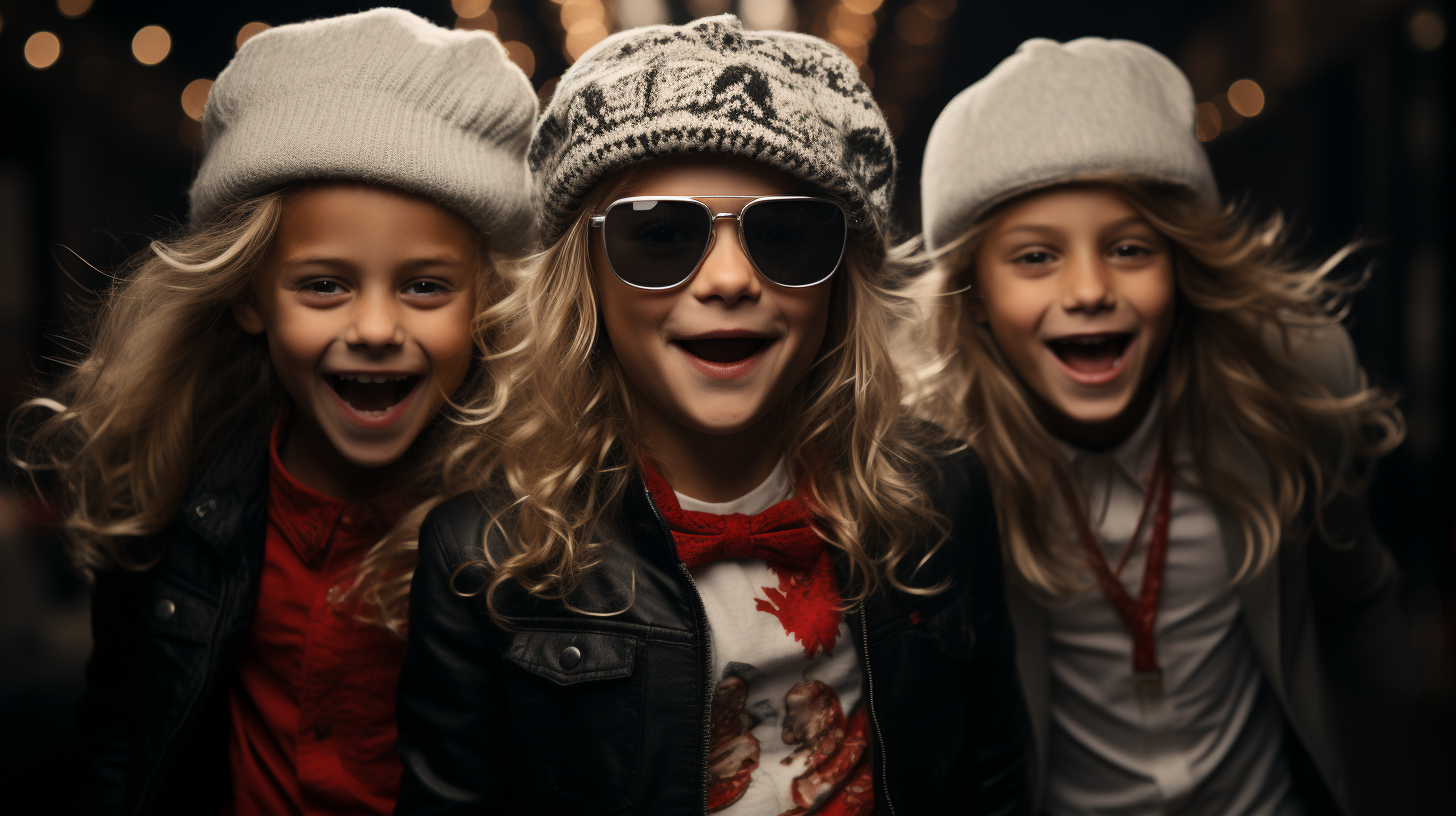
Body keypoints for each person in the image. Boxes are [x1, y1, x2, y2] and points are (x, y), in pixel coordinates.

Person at [393, 15, 1027, 815]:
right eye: (660, 235)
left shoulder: (940, 496)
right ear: (583, 281)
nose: (728, 279)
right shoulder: (480, 559)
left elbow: (992, 778)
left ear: (839, 286)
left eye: (786, 234)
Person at [13, 10, 536, 814]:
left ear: (486, 307)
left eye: (425, 285)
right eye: (323, 284)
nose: (372, 329)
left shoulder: (537, 533)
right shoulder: (173, 496)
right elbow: (122, 738)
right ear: (249, 297)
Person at [909, 37, 1411, 816]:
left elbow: (1359, 605)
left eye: (1130, 248)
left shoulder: (1288, 383)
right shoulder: (938, 472)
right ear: (973, 295)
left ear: (1181, 265)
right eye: (1037, 256)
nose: (1088, 290)